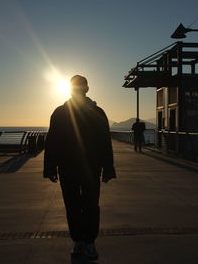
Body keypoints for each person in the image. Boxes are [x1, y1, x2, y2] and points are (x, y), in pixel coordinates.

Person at [44, 75, 116, 260]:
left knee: (91, 205)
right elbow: (52, 141)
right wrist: (50, 168)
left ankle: (89, 241)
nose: (77, 90)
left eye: (79, 86)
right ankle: (79, 240)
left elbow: (105, 143)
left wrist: (108, 169)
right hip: (68, 168)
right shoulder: (60, 112)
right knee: (73, 206)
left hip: (91, 168)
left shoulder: (97, 112)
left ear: (86, 89)